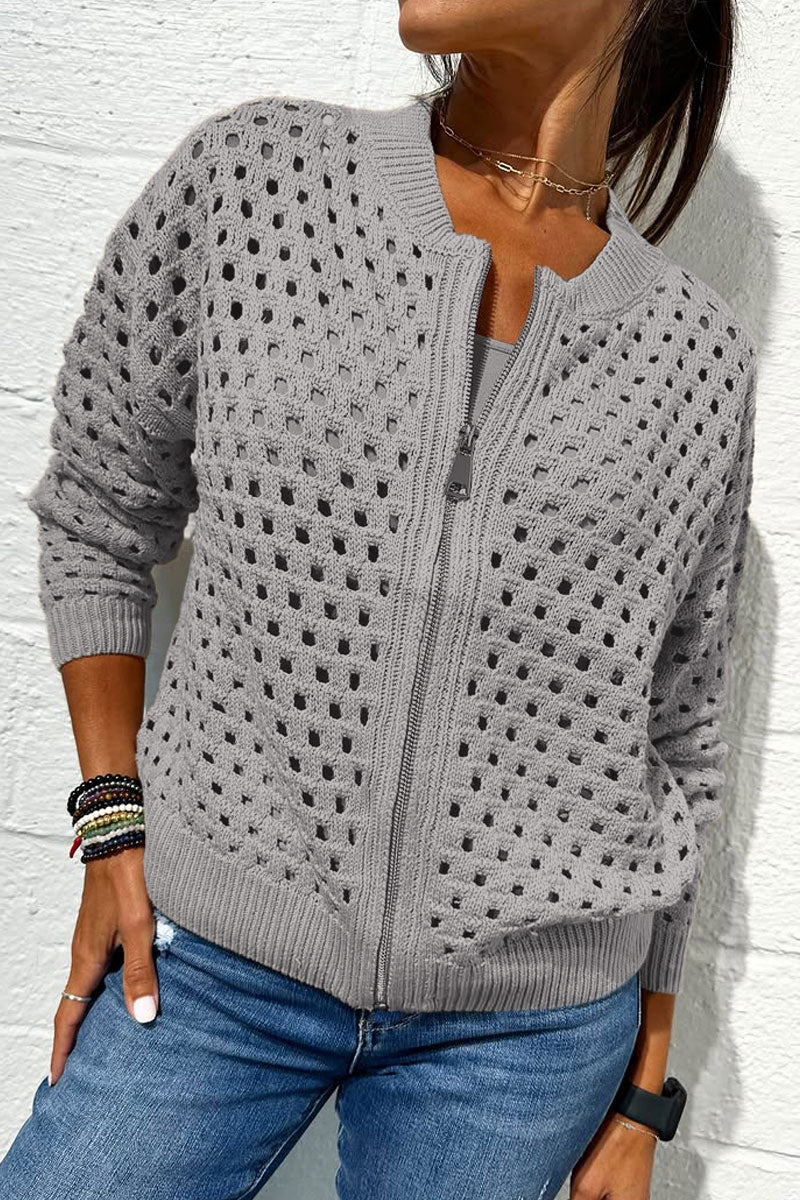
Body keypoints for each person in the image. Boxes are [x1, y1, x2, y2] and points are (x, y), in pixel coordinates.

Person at [1, 0, 758, 1197]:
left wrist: (643, 1096)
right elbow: (98, 509)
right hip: (214, 963)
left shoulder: (695, 357)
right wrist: (110, 826)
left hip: (525, 1040)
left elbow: (682, 732)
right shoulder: (256, 181)